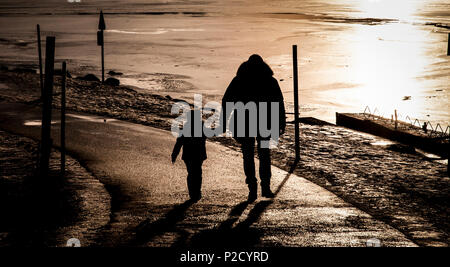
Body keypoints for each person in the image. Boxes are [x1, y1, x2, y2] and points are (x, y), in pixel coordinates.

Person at [221, 54, 286, 202]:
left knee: (250, 155)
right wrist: (281, 122)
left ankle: (254, 187)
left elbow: (227, 101)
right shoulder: (270, 81)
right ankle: (263, 187)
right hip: (263, 122)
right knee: (263, 154)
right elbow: (279, 103)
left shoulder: (239, 80)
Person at [171, 110, 207, 202]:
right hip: (197, 154)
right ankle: (196, 193)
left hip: (189, 155)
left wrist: (174, 154)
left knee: (192, 173)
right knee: (197, 173)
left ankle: (193, 193)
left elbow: (179, 142)